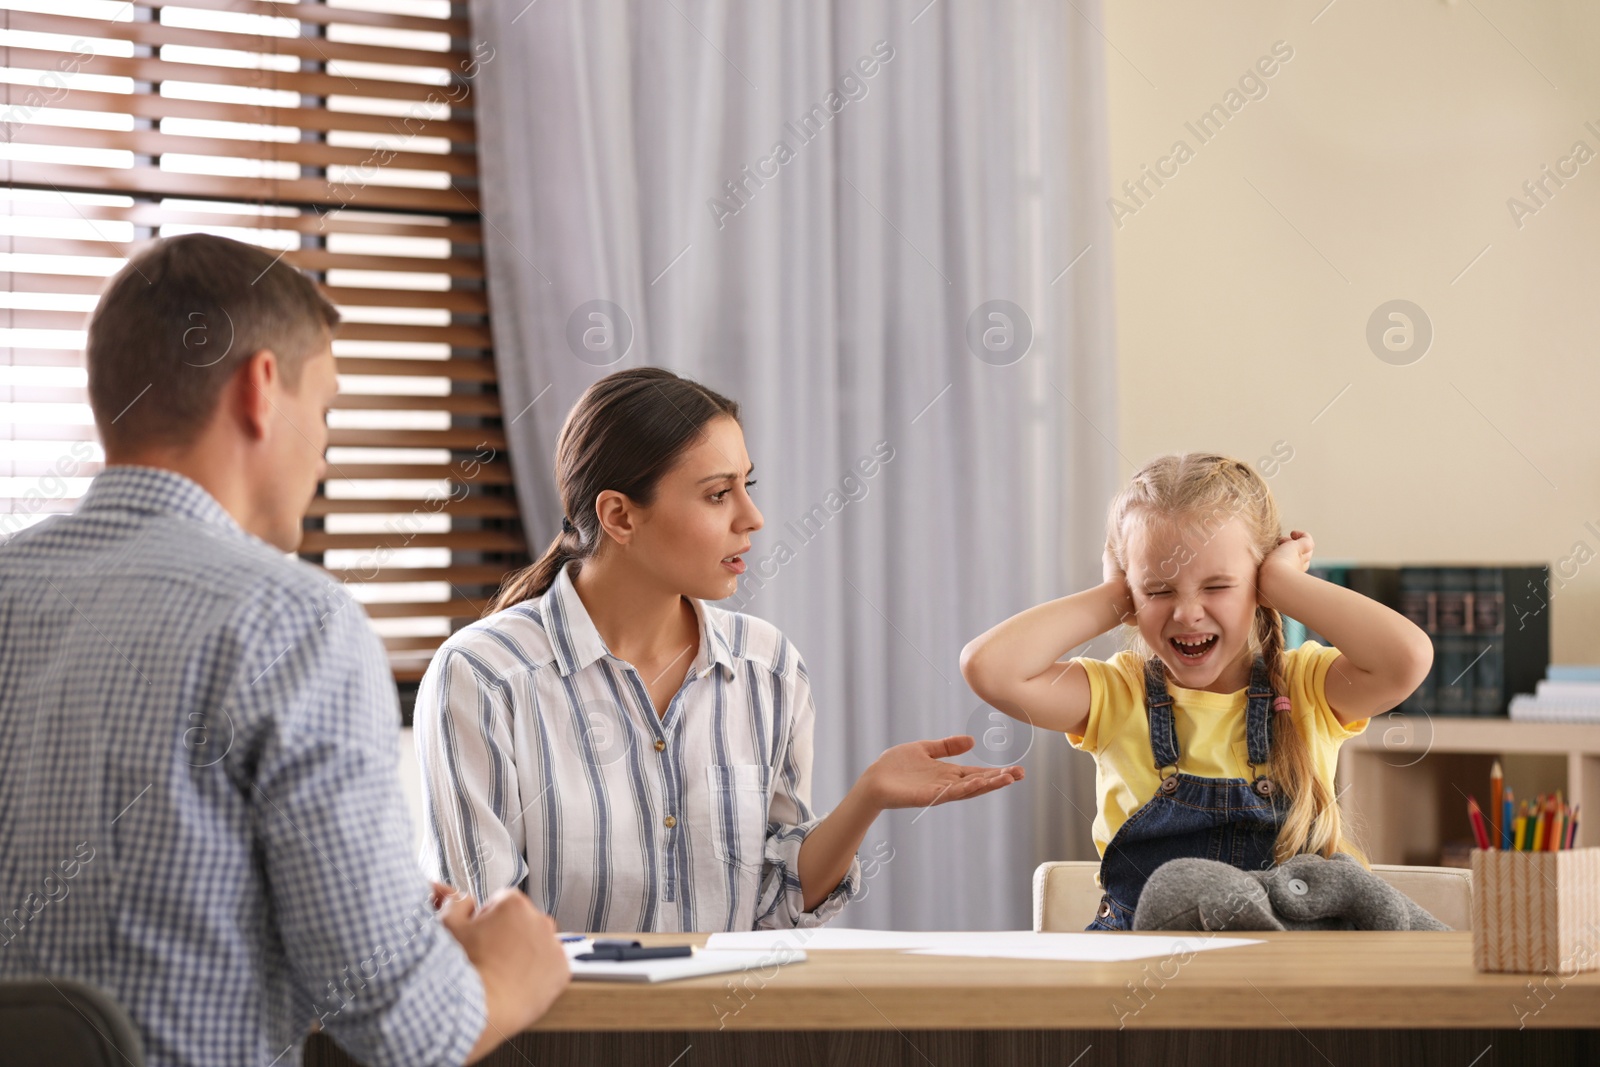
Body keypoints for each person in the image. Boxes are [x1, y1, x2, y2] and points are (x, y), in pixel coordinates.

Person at [0, 234, 567, 1066]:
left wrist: (379, 906)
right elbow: (408, 1033)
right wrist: (511, 968)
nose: (326, 450)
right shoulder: (291, 621)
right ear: (262, 388)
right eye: (328, 407)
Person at [415, 367, 1024, 932]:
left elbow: (775, 909)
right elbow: (479, 931)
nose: (753, 517)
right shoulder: (482, 676)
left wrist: (868, 798)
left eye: (747, 485)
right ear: (620, 517)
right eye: (717, 494)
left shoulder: (769, 666)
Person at [960, 453, 1433, 930]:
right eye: (1159, 590)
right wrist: (1114, 597)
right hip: (1143, 969)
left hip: (1290, 967)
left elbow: (1406, 659)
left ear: (1260, 584)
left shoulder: (1307, 685)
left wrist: (1283, 582)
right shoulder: (1116, 694)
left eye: (1218, 585)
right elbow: (991, 669)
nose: (1187, 613)